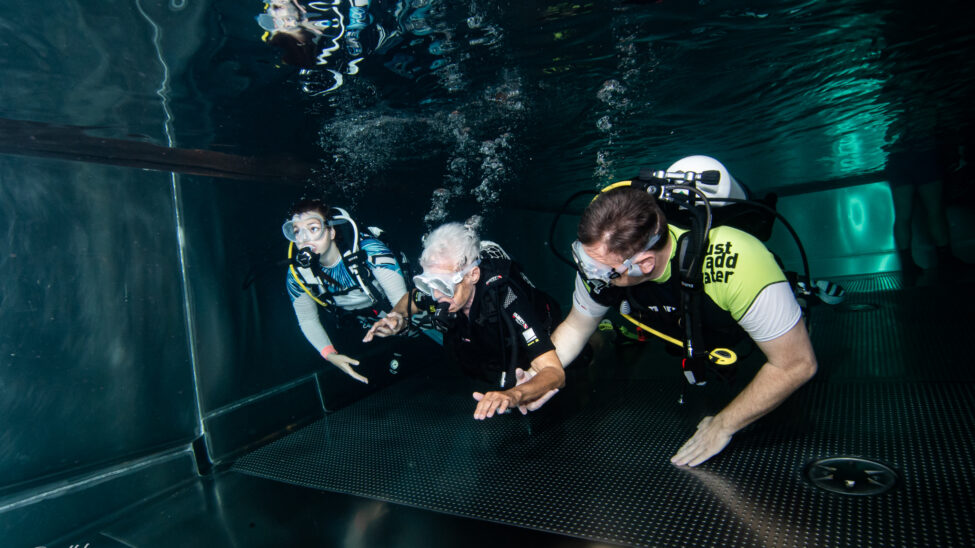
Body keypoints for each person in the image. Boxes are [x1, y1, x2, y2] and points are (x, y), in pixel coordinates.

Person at [549, 159, 818, 467]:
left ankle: (793, 292)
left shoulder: (734, 260)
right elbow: (576, 328)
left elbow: (796, 364)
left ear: (645, 263)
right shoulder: (605, 259)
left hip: (730, 320)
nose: (590, 274)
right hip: (681, 325)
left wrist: (723, 425)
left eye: (601, 268)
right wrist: (539, 373)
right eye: (585, 258)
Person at [364, 221, 566, 419]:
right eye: (429, 284)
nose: (436, 295)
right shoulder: (437, 292)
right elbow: (414, 297)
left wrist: (514, 394)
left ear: (473, 275)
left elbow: (554, 371)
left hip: (542, 333)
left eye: (444, 286)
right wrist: (396, 316)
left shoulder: (506, 297)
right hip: (487, 353)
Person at [283, 198, 408, 383]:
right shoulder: (297, 275)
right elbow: (307, 319)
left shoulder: (370, 251)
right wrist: (329, 354)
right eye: (296, 231)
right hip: (359, 321)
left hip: (397, 309)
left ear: (331, 231)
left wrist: (399, 320)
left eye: (313, 228)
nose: (304, 238)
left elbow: (402, 300)